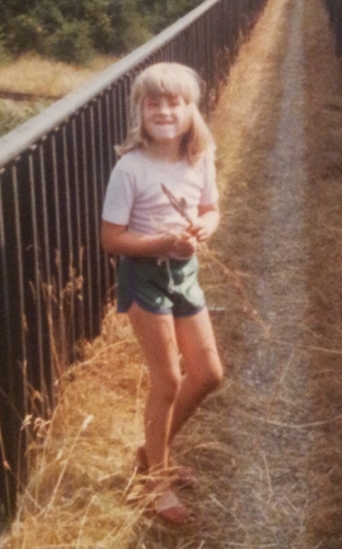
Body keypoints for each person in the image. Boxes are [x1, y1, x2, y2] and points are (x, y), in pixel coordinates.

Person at [100, 62, 224, 525]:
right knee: (168, 379)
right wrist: (161, 243)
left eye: (175, 103)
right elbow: (112, 240)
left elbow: (212, 209)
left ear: (191, 110)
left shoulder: (200, 158)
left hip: (183, 271)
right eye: (154, 103)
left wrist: (201, 229)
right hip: (144, 276)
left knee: (209, 373)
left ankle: (151, 453)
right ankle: (156, 483)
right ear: (140, 110)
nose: (165, 111)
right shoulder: (129, 168)